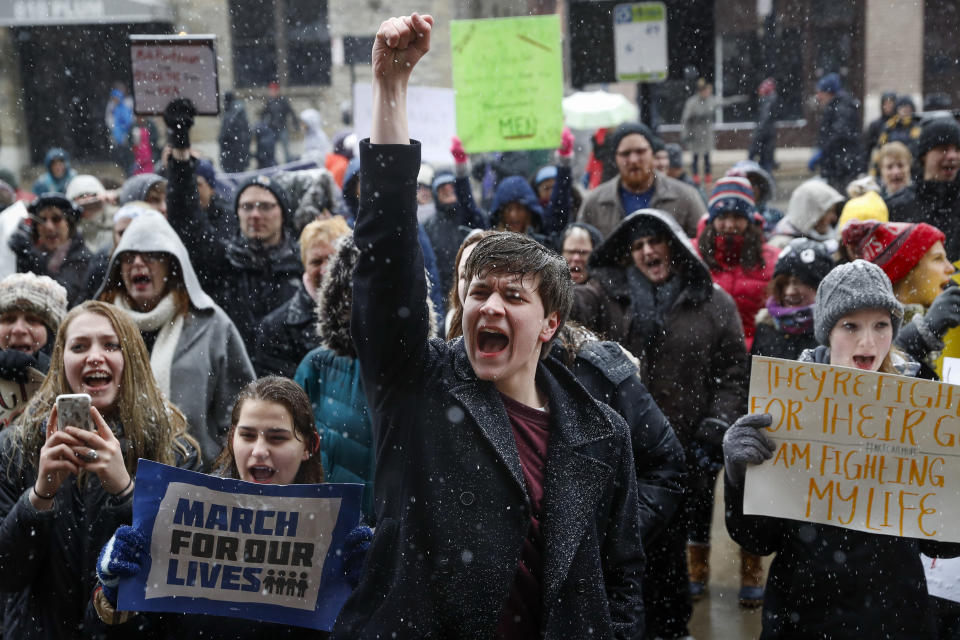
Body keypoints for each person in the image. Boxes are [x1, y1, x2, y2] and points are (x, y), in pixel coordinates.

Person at [332, 14, 645, 638]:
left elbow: (622, 576)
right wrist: (389, 92)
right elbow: (387, 264)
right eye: (477, 292)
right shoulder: (417, 386)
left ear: (550, 322)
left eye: (512, 295)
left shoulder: (600, 430)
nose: (490, 307)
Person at [723, 259, 960, 638]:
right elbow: (757, 539)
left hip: (895, 617)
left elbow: (942, 546)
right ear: (828, 332)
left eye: (881, 325)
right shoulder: (786, 405)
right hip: (804, 616)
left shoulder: (921, 404)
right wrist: (738, 474)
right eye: (851, 326)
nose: (868, 343)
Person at [571, 208, 747, 636]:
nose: (648, 251)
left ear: (676, 245)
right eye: (637, 245)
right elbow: (570, 306)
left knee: (671, 560)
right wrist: (533, 278)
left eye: (656, 241)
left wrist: (714, 430)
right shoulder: (606, 294)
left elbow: (733, 376)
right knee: (623, 560)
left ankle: (673, 629)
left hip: (685, 453)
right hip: (616, 457)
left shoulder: (714, 302)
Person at [0, 300, 200, 638]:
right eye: (79, 346)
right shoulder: (16, 446)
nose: (95, 356)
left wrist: (126, 492)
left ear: (132, 360)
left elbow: (179, 572)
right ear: (61, 362)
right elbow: (8, 575)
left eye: (110, 345)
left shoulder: (175, 449)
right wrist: (39, 497)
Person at [91, 376, 331, 639]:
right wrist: (114, 596)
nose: (259, 451)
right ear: (232, 438)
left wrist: (369, 592)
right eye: (248, 435)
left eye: (277, 438)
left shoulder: (333, 533)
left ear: (310, 446)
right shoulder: (181, 517)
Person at [95, 210, 255, 466]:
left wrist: (223, 470)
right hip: (107, 474)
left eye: (152, 255)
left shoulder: (211, 325)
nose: (137, 262)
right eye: (127, 257)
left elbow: (241, 413)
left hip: (196, 479)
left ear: (173, 263)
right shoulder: (98, 326)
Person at [842, 219, 960, 380]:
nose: (950, 268)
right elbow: (870, 382)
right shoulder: (854, 327)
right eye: (938, 259)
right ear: (907, 269)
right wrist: (922, 332)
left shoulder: (943, 320)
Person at [256, 216, 351, 378]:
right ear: (304, 265)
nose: (325, 270)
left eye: (332, 258)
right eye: (316, 262)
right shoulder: (275, 328)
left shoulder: (370, 315)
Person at [577, 121, 705, 238]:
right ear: (616, 158)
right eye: (625, 154)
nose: (633, 160)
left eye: (640, 152)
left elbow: (703, 246)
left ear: (652, 154)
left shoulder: (686, 197)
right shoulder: (594, 203)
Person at [698, 177, 780, 350]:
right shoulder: (692, 256)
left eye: (737, 217)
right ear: (712, 219)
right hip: (701, 353)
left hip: (754, 354)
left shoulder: (772, 260)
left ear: (749, 219)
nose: (729, 225)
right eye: (722, 216)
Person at [751, 238, 834, 365]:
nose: (789, 292)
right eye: (783, 284)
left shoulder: (833, 334)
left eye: (800, 282)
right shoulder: (766, 327)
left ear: (820, 288)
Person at [887, 117, 960, 259]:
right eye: (943, 149)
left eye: (957, 149)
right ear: (923, 156)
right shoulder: (897, 206)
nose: (952, 156)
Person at [9, 193, 92, 306]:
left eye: (56, 219)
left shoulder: (82, 257)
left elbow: (62, 296)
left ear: (69, 223)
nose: (48, 227)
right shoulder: (34, 251)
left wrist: (31, 256)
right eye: (42, 220)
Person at [0, 272, 68, 388]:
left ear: (52, 333)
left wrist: (38, 369)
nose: (18, 330)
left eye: (32, 320)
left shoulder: (70, 378)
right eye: (9, 319)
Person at [808, 73, 863, 191]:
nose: (818, 96)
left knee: (840, 199)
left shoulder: (842, 107)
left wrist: (823, 152)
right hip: (837, 165)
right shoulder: (835, 106)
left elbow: (839, 134)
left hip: (843, 167)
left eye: (820, 92)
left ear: (829, 92)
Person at [768, 178, 845, 249]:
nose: (834, 217)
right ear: (812, 213)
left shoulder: (830, 241)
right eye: (829, 211)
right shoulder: (781, 245)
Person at [726, 159, 783, 234]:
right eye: (743, 182)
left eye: (754, 183)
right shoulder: (722, 218)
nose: (749, 187)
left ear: (762, 188)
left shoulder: (775, 216)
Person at [681, 78, 718, 186]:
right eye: (705, 91)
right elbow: (686, 119)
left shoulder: (711, 100)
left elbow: (722, 102)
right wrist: (685, 133)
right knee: (695, 156)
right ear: (700, 91)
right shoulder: (692, 103)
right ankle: (695, 176)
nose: (707, 93)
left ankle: (708, 176)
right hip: (695, 133)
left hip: (706, 133)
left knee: (707, 156)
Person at [66, 174, 114, 253]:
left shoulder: (116, 222)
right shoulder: (69, 231)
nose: (88, 210)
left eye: (94, 203)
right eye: (83, 206)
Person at [264, 81, 300, 163]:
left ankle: (288, 161)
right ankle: (273, 162)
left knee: (285, 147)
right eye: (271, 91)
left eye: (273, 90)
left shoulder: (283, 101)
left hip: (282, 127)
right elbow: (265, 114)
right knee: (271, 148)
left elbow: (291, 112)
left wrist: (295, 124)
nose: (272, 93)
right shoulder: (269, 102)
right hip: (272, 128)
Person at [748, 77, 779, 172]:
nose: (759, 93)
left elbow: (764, 120)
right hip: (767, 137)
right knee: (766, 162)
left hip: (764, 137)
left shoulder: (767, 102)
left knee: (765, 165)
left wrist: (752, 152)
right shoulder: (770, 100)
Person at [218, 91, 251, 173]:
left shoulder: (229, 115)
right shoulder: (241, 113)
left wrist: (220, 140)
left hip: (231, 154)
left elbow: (225, 135)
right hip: (241, 153)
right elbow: (247, 134)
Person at [863, 91, 897, 167]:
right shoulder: (875, 125)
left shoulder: (898, 123)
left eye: (890, 103)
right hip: (879, 162)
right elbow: (868, 147)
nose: (888, 106)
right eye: (886, 103)